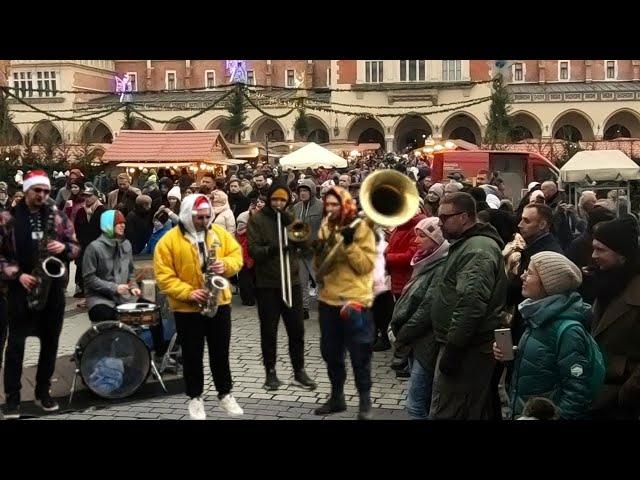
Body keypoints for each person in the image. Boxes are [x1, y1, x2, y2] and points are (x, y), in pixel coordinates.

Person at [154, 194, 244, 420]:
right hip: (187, 308)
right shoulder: (168, 241)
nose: (205, 221)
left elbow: (237, 257)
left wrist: (226, 265)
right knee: (193, 355)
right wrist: (188, 292)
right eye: (199, 217)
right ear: (187, 215)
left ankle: (225, 394)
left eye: (207, 216)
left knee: (220, 353)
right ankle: (195, 398)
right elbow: (164, 276)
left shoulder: (219, 234)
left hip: (219, 303)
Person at [0, 170, 80, 419]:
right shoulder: (7, 218)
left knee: (50, 344)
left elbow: (76, 247)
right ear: (26, 190)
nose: (43, 195)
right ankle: (13, 399)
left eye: (46, 191)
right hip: (21, 288)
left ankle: (43, 392)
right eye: (38, 190)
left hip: (51, 289)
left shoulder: (56, 217)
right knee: (15, 347)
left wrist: (64, 247)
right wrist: (17, 275)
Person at [429, 192, 507, 420]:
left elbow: (470, 304)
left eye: (444, 218)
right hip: (463, 344)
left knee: (452, 409)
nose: (440, 223)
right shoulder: (467, 244)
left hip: (468, 348)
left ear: (463, 217)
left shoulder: (477, 249)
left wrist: (454, 348)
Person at [493, 251, 596, 419]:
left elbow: (576, 394)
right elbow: (542, 364)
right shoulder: (537, 316)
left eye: (530, 273)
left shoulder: (569, 330)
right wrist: (513, 355)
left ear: (549, 285)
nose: (523, 277)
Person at [312, 186, 377, 420]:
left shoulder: (361, 229)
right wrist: (319, 251)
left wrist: (349, 245)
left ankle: (365, 403)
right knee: (331, 353)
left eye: (335, 205)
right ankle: (337, 397)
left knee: (360, 354)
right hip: (328, 300)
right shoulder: (326, 226)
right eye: (327, 205)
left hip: (355, 300)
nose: (329, 209)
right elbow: (319, 269)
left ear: (345, 204)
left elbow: (365, 266)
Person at [247, 183, 317, 391]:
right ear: (269, 199)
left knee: (296, 329)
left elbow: (305, 245)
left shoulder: (289, 216)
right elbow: (253, 251)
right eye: (275, 199)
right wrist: (274, 248)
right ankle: (270, 372)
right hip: (268, 284)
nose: (279, 203)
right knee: (269, 330)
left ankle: (299, 371)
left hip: (292, 282)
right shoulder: (258, 219)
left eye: (283, 200)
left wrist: (296, 226)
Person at [388, 218, 449, 419]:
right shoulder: (425, 260)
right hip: (418, 341)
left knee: (416, 405)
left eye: (422, 235)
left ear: (436, 239)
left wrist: (402, 334)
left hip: (426, 343)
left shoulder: (440, 266)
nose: (416, 240)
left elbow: (426, 309)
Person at [590, 215, 640, 419]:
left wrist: (629, 391)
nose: (593, 255)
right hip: (599, 393)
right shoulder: (605, 284)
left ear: (622, 255)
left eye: (601, 250)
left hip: (626, 399)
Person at [83, 210, 141, 323]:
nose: (122, 225)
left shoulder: (126, 244)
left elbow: (130, 272)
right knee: (109, 316)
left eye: (123, 222)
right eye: (118, 222)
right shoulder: (94, 248)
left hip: (125, 298)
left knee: (152, 312)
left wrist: (133, 286)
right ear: (108, 225)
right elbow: (89, 278)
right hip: (100, 299)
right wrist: (114, 288)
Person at [566, 206, 616, 304]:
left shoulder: (611, 242)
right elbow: (568, 273)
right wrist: (582, 271)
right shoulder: (579, 245)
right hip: (586, 300)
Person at [291, 178, 323, 317]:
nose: (303, 193)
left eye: (306, 190)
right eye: (301, 191)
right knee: (301, 281)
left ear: (312, 191)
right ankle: (303, 308)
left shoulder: (321, 206)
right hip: (299, 251)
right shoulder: (296, 207)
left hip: (315, 251)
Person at [73, 183, 106, 300]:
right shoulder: (81, 212)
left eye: (89, 196)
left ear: (96, 196)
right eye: (85, 196)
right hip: (83, 248)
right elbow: (76, 229)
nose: (86, 199)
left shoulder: (103, 211)